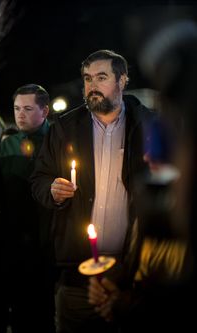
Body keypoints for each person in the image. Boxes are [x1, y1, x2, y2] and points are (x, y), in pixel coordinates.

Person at [30, 50, 154, 333]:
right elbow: (39, 178)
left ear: (122, 80)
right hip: (77, 271)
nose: (92, 86)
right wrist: (51, 189)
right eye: (87, 79)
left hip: (132, 272)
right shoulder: (64, 128)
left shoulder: (147, 125)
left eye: (101, 77)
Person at [87, 22, 197, 332]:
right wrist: (120, 290)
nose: (150, 157)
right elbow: (149, 270)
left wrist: (129, 307)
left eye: (170, 137)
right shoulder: (160, 204)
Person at [0, 83, 54, 333]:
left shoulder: (56, 141)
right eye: (16, 108)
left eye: (28, 108)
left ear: (44, 111)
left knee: (42, 312)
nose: (20, 114)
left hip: (45, 240)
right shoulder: (7, 145)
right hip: (12, 240)